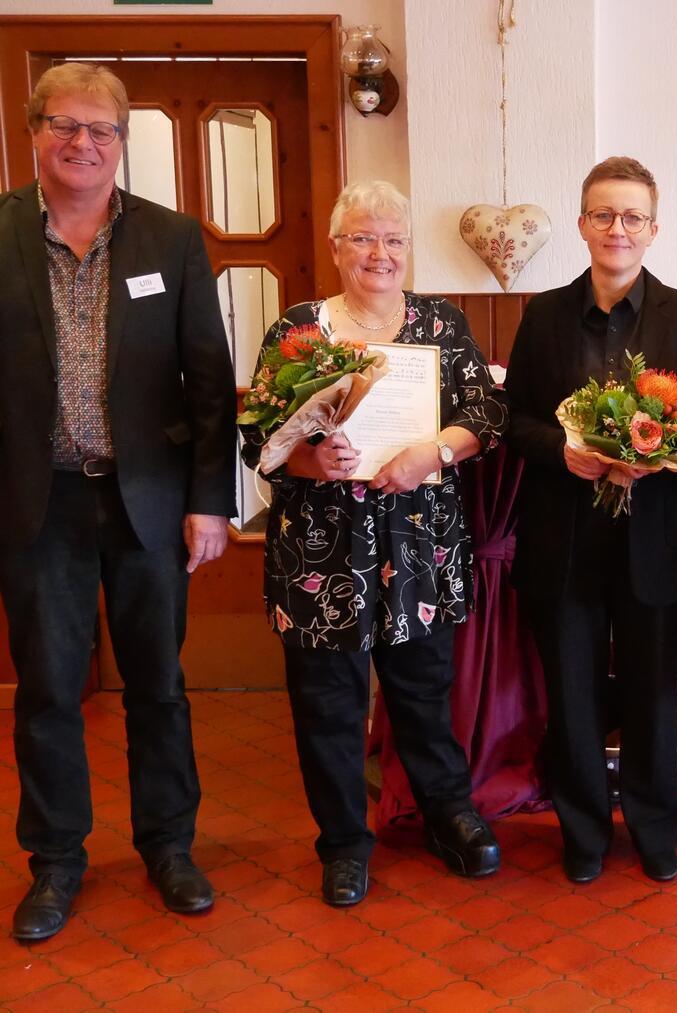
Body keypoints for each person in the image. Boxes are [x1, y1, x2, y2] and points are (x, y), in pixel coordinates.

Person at [0, 63, 236, 940]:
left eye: (101, 129)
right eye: (64, 124)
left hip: (146, 501)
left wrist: (211, 500)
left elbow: (208, 382)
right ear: (34, 133)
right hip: (35, 505)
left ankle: (169, 846)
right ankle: (57, 859)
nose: (83, 142)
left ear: (122, 143)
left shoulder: (169, 240)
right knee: (50, 690)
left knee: (159, 686)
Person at [241, 180, 508, 907]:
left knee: (423, 691)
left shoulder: (441, 325)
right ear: (335, 248)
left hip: (420, 543)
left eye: (393, 238)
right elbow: (258, 437)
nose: (379, 253)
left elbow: (484, 414)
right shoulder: (300, 331)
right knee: (328, 701)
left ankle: (447, 813)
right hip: (322, 554)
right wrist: (308, 458)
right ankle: (343, 843)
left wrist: (437, 453)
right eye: (362, 237)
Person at [506, 157, 677, 884]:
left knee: (654, 691)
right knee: (574, 690)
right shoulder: (543, 314)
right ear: (582, 224)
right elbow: (515, 422)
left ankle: (657, 828)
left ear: (653, 229)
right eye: (603, 215)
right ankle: (585, 831)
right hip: (564, 535)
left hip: (660, 536)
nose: (617, 228)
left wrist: (664, 457)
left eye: (631, 217)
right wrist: (565, 453)